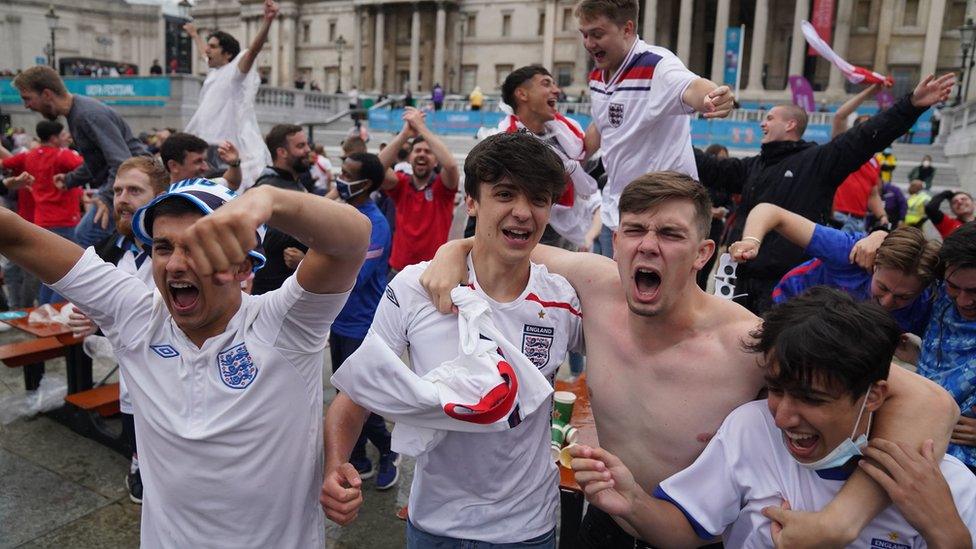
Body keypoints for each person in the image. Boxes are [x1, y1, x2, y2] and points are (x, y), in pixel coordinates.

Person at [421, 171, 959, 548]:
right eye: (634, 230)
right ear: (617, 244)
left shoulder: (748, 339)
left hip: (700, 534)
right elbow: (509, 239)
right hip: (607, 520)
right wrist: (452, 251)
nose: (647, 245)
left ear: (703, 254)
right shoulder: (595, 282)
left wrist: (842, 520)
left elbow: (930, 402)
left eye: (670, 234)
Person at [0, 170, 369, 546]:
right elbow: (13, 233)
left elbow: (352, 240)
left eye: (197, 246)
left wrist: (269, 200)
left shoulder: (285, 325)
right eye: (163, 247)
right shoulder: (136, 317)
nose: (175, 264)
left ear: (244, 266)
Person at [322, 132, 581, 547]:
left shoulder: (564, 299)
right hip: (434, 526)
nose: (522, 212)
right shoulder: (414, 287)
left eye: (538, 199)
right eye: (505, 194)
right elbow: (354, 397)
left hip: (527, 529)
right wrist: (335, 466)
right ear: (473, 202)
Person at [569, 288, 976, 548]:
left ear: (873, 395)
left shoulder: (950, 489)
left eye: (811, 399)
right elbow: (688, 527)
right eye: (776, 390)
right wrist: (635, 502)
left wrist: (948, 534)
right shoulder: (752, 429)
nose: (782, 416)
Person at [695, 73, 954, 314]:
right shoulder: (753, 166)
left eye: (770, 117)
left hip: (788, 286)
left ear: (791, 124)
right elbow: (709, 168)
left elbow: (865, 138)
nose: (762, 122)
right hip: (741, 280)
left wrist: (911, 106)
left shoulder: (818, 161)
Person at [576, 0, 735, 252]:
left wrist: (713, 98)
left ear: (627, 29)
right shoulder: (598, 74)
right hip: (615, 212)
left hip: (660, 216)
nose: (588, 43)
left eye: (597, 34)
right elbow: (603, 125)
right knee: (610, 290)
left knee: (658, 291)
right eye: (584, 35)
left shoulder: (656, 65)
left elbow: (692, 87)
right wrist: (572, 159)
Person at [65, 156, 170, 504]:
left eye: (135, 190)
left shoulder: (176, 250)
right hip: (131, 374)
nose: (122, 198)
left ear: (159, 198)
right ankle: (138, 462)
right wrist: (90, 317)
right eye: (118, 190)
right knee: (135, 428)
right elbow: (91, 298)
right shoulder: (110, 248)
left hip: (174, 371)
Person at [729, 203, 939, 337]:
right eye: (882, 287)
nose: (887, 302)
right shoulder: (850, 252)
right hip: (790, 307)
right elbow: (771, 212)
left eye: (903, 298)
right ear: (874, 263)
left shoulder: (927, 304)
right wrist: (751, 241)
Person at [12, 65, 149, 248]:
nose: (26, 106)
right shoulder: (78, 114)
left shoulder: (87, 115)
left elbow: (122, 162)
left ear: (46, 94)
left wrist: (106, 198)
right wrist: (70, 179)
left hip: (139, 184)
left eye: (27, 98)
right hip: (130, 185)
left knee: (85, 238)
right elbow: (98, 162)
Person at [327, 152, 399, 489]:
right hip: (339, 322)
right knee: (343, 391)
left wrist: (314, 259)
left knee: (360, 397)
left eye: (346, 173)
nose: (339, 177)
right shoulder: (344, 212)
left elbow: (353, 274)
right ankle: (358, 458)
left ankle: (388, 449)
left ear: (366, 184)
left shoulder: (374, 224)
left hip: (362, 325)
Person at [492, 65, 599, 248]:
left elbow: (584, 151)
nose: (556, 91)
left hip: (567, 236)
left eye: (555, 84)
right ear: (522, 94)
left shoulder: (564, 132)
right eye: (546, 83)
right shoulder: (504, 142)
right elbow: (540, 183)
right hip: (527, 238)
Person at [183, 0, 278, 190]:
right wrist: (194, 35)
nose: (207, 50)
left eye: (213, 46)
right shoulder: (215, 71)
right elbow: (203, 53)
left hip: (226, 148)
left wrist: (267, 21)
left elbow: (252, 52)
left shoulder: (235, 74)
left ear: (227, 54)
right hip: (207, 144)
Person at [913, 222, 976, 476]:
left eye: (974, 291)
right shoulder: (937, 296)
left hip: (965, 467)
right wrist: (875, 239)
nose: (963, 301)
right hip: (914, 441)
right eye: (954, 287)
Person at [0, 120, 84, 304]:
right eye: (63, 135)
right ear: (54, 138)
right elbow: (89, 167)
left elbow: (4, 162)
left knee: (47, 273)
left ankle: (42, 309)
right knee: (71, 272)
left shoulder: (28, 156)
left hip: (41, 220)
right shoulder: (63, 155)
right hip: (64, 221)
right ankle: (52, 312)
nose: (67, 137)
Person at [377, 106, 459, 275]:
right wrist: (405, 134)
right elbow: (376, 169)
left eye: (428, 152)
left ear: (436, 161)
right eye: (418, 151)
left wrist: (421, 127)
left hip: (433, 272)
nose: (422, 154)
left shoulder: (442, 189)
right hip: (399, 271)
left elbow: (450, 166)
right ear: (409, 157)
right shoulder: (401, 184)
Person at [251, 124, 312, 295]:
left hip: (292, 287)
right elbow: (262, 236)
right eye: (300, 146)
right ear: (282, 152)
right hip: (271, 291)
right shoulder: (268, 187)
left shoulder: (294, 182)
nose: (308, 150)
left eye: (307, 144)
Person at [830, 84, 888, 234]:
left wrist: (882, 216)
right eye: (866, 126)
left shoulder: (874, 160)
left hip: (859, 222)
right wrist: (870, 91)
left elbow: (873, 193)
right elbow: (840, 116)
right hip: (837, 217)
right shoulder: (842, 147)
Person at [698, 143, 734, 290]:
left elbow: (732, 205)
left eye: (725, 159)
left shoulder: (726, 182)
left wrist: (723, 211)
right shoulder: (699, 178)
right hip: (699, 228)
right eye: (718, 158)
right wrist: (709, 210)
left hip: (716, 228)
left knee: (707, 270)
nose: (721, 163)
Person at [159, 132, 242, 189]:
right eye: (198, 161)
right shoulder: (162, 201)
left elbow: (231, 182)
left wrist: (234, 163)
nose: (206, 168)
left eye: (204, 160)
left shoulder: (206, 186)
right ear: (174, 166)